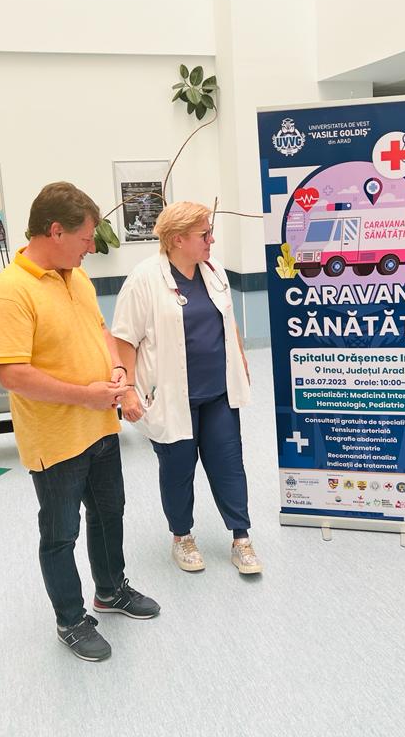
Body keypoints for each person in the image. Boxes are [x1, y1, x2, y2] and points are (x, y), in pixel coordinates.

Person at [0, 181, 159, 663]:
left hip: (100, 427)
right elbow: (13, 374)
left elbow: (100, 330)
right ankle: (70, 619)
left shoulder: (76, 276)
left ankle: (111, 589)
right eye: (85, 238)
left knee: (109, 512)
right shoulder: (10, 292)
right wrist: (85, 396)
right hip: (55, 438)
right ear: (55, 231)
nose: (91, 248)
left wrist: (118, 371)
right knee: (61, 533)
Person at [111, 201, 261, 574]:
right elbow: (124, 339)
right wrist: (127, 390)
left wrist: (240, 357)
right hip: (172, 398)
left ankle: (241, 539)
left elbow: (228, 319)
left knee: (229, 464)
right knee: (178, 470)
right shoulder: (144, 279)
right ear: (178, 239)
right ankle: (182, 536)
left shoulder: (214, 271)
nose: (212, 240)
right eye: (204, 234)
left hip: (218, 394)